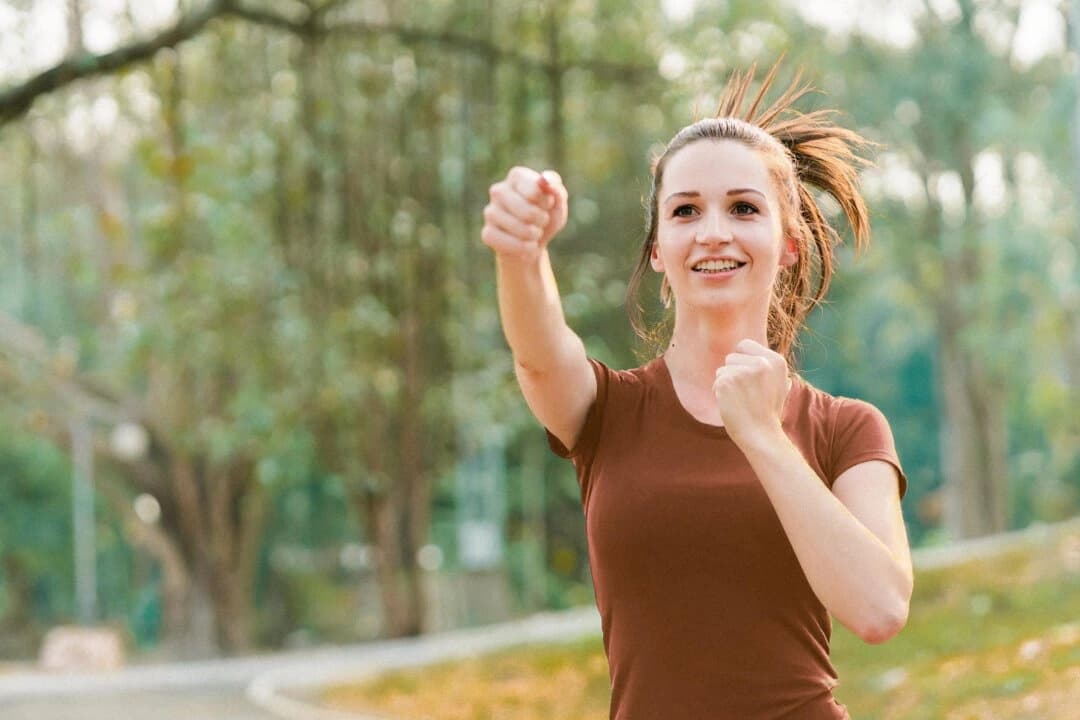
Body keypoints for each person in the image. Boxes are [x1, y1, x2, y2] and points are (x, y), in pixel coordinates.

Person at [481, 62, 912, 719]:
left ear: (787, 243)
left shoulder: (846, 428)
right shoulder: (608, 412)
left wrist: (764, 436)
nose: (713, 231)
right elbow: (540, 356)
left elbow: (880, 608)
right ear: (659, 248)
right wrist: (521, 253)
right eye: (685, 211)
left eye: (743, 208)